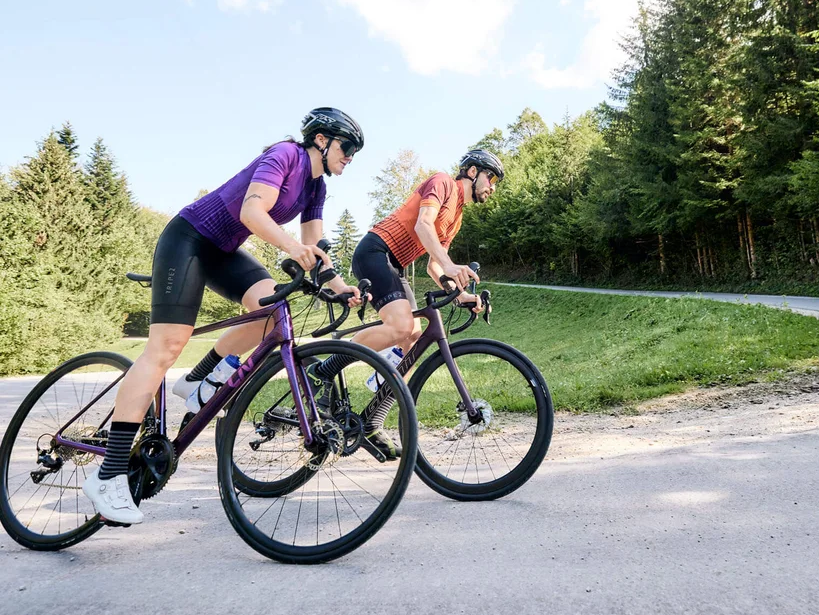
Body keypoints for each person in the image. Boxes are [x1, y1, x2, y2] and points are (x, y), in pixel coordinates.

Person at [82, 108, 365, 525]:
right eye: (348, 148)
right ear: (321, 139)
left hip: (224, 251)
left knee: (273, 312)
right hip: (190, 240)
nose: (351, 157)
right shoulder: (286, 155)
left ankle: (200, 376)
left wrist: (339, 286)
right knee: (164, 348)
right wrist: (291, 249)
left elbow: (314, 245)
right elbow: (253, 213)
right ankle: (108, 475)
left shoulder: (316, 187)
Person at [310, 148, 504, 459]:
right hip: (375, 251)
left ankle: (372, 422)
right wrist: (453, 267)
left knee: (414, 336)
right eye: (490, 177)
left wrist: (463, 294)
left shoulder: (456, 217)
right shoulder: (442, 183)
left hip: (395, 265)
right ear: (471, 172)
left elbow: (434, 266)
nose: (492, 186)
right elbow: (422, 226)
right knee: (401, 325)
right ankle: (322, 371)